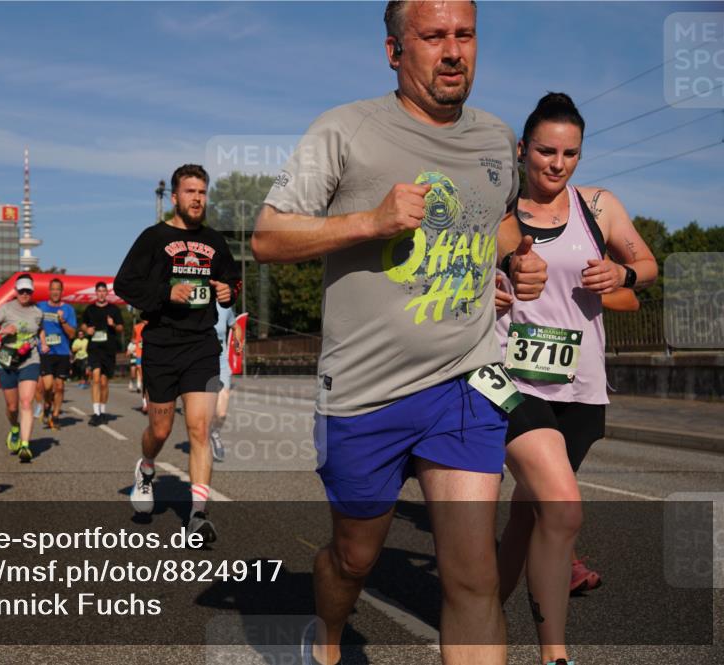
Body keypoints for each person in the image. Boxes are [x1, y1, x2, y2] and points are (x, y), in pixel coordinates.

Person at [251, 3, 548, 663]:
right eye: (433, 36)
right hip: (365, 393)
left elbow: (495, 222)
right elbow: (267, 235)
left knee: (474, 576)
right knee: (354, 558)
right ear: (394, 50)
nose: (452, 51)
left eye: (464, 35)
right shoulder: (345, 130)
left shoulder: (497, 137)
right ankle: (326, 635)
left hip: (467, 379)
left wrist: (516, 256)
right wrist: (370, 222)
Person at [493, 92, 658, 665]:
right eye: (544, 151)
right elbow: (455, 287)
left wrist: (622, 270)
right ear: (522, 149)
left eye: (570, 154)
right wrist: (490, 290)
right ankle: (555, 654)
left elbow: (647, 266)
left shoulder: (599, 207)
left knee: (529, 510)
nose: (556, 164)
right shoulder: (499, 213)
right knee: (562, 508)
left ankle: (481, 612)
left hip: (580, 385)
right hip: (508, 380)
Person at [114, 164, 241, 542]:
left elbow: (231, 281)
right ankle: (147, 466)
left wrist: (227, 292)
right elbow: (125, 284)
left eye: (202, 192)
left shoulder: (216, 242)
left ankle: (198, 515)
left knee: (200, 428)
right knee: (161, 428)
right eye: (190, 192)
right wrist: (164, 295)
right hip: (162, 345)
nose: (197, 198)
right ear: (175, 197)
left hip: (201, 344)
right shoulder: (153, 238)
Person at [0, 274, 45, 462]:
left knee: (26, 402)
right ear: (15, 291)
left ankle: (25, 445)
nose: (25, 294)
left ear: (32, 292)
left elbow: (39, 329)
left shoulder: (37, 312)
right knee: (12, 406)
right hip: (6, 361)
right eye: (22, 291)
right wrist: (2, 330)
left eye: (28, 291)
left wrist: (42, 341)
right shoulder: (5, 309)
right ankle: (15, 428)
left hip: (29, 360)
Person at [81, 282, 124, 426]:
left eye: (103, 291)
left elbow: (120, 328)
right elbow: (83, 324)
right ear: (95, 293)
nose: (101, 293)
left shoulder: (114, 309)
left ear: (106, 293)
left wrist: (113, 324)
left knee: (104, 383)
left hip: (108, 350)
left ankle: (103, 411)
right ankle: (96, 413)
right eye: (98, 291)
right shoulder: (90, 309)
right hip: (94, 349)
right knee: (96, 378)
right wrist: (87, 329)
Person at [37, 278, 77, 430]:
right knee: (47, 386)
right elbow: (35, 326)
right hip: (46, 351)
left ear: (62, 291)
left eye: (58, 289)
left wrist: (63, 322)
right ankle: (47, 405)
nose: (55, 292)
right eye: (53, 289)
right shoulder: (40, 307)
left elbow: (72, 334)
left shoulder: (68, 310)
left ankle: (55, 415)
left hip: (62, 353)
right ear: (49, 290)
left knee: (59, 387)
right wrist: (42, 341)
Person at [208, 303, 243, 462]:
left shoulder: (224, 307)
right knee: (204, 413)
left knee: (221, 413)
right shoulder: (194, 303)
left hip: (221, 365)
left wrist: (238, 342)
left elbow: (236, 326)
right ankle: (201, 443)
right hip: (197, 366)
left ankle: (214, 433)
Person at [133, 314, 148, 412]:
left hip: (153, 355)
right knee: (144, 380)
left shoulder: (156, 325)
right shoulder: (136, 327)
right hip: (140, 355)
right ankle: (145, 404)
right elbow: (133, 339)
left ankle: (151, 403)